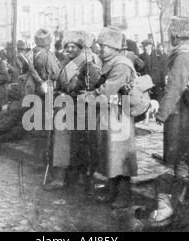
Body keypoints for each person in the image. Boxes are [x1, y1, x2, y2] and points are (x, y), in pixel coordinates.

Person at [44, 30, 101, 196]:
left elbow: (94, 89)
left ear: (80, 48)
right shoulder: (64, 64)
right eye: (67, 47)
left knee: (82, 146)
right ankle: (61, 178)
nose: (69, 50)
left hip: (81, 110)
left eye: (73, 47)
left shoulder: (88, 65)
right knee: (61, 144)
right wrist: (55, 92)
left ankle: (85, 181)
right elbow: (61, 86)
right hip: (64, 109)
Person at [88, 27, 138, 209]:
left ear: (114, 46)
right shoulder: (110, 62)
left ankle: (124, 196)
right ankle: (112, 192)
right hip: (110, 114)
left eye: (103, 46)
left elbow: (108, 90)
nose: (100, 49)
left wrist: (90, 96)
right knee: (111, 155)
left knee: (121, 157)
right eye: (99, 45)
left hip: (119, 115)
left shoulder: (121, 65)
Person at [155, 16, 189, 173]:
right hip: (188, 110)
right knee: (186, 152)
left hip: (180, 113)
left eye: (170, 33)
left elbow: (175, 88)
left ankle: (179, 190)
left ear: (175, 35)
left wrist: (161, 114)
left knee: (179, 154)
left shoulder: (182, 56)